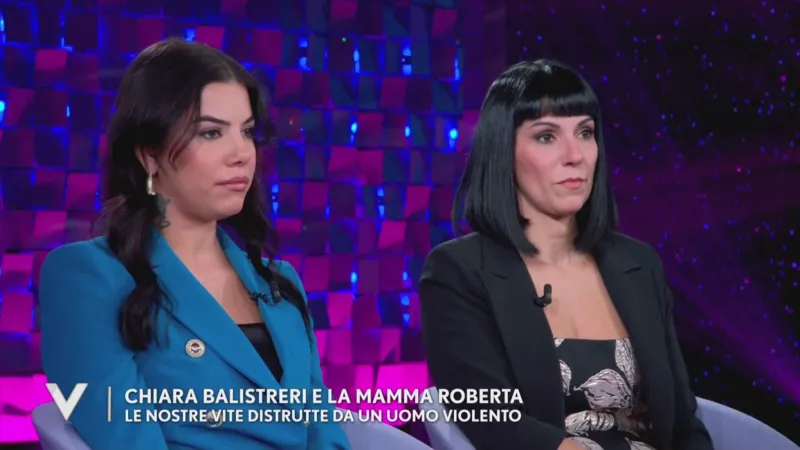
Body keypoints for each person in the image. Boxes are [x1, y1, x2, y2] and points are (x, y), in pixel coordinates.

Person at [38, 38, 350, 450]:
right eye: (211, 132)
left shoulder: (281, 283)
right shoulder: (87, 276)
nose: (241, 153)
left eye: (247, 132)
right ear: (149, 154)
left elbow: (324, 434)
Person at [419, 60, 713, 450]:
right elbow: (493, 421)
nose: (575, 155)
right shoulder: (459, 270)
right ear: (502, 151)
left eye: (585, 132)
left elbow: (682, 420)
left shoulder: (639, 263)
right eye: (546, 136)